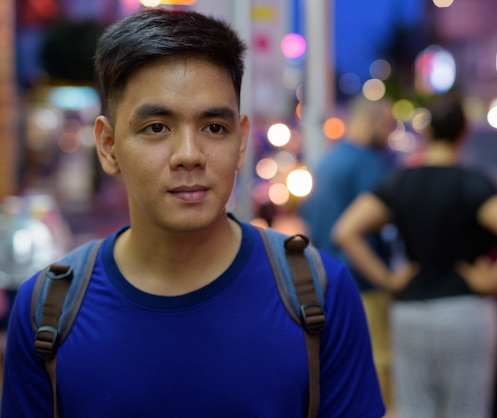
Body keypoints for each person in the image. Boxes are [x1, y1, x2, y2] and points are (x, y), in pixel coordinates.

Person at [1, 8, 385, 418]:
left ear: (241, 142)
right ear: (108, 145)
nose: (189, 155)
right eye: (157, 128)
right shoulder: (48, 310)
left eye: (214, 128)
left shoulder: (320, 294)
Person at [332, 96, 497, 418]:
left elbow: (346, 232)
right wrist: (494, 279)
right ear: (464, 134)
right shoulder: (472, 184)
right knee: (467, 410)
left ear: (427, 132)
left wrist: (387, 279)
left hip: (411, 311)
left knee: (414, 409)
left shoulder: (400, 181)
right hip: (466, 310)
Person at [298, 96, 397, 407]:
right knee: (378, 365)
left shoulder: (327, 161)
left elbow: (310, 220)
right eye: (388, 125)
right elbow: (381, 223)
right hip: (365, 283)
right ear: (370, 121)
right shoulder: (368, 162)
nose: (390, 133)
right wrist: (386, 278)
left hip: (327, 283)